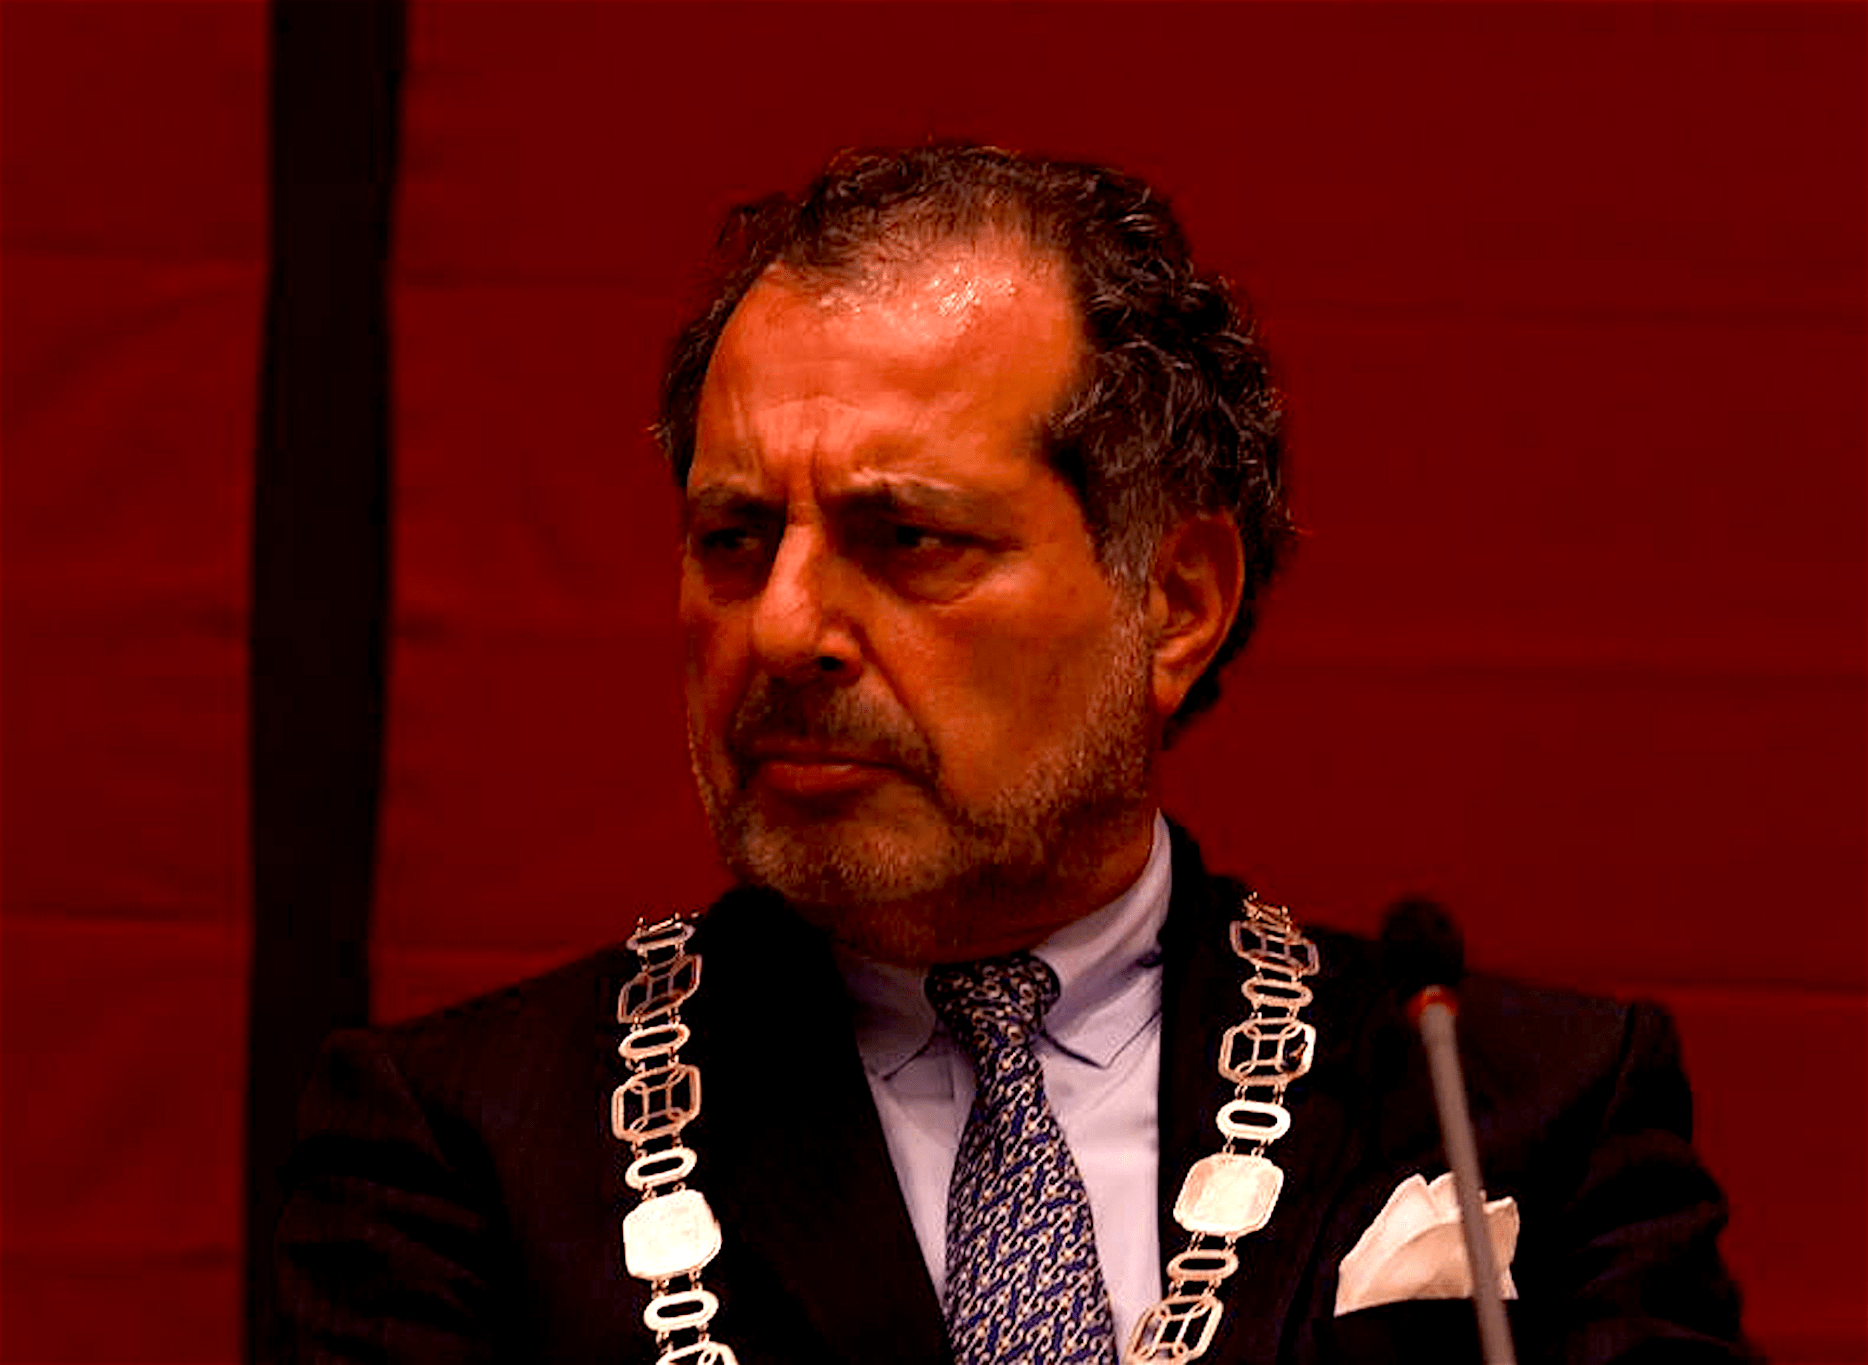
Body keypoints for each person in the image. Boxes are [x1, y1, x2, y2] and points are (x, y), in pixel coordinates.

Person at [277, 145, 1753, 1364]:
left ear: (1173, 602)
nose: (782, 627)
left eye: (907, 538)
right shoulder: (468, 1152)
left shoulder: (1518, 1112)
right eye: (733, 539)